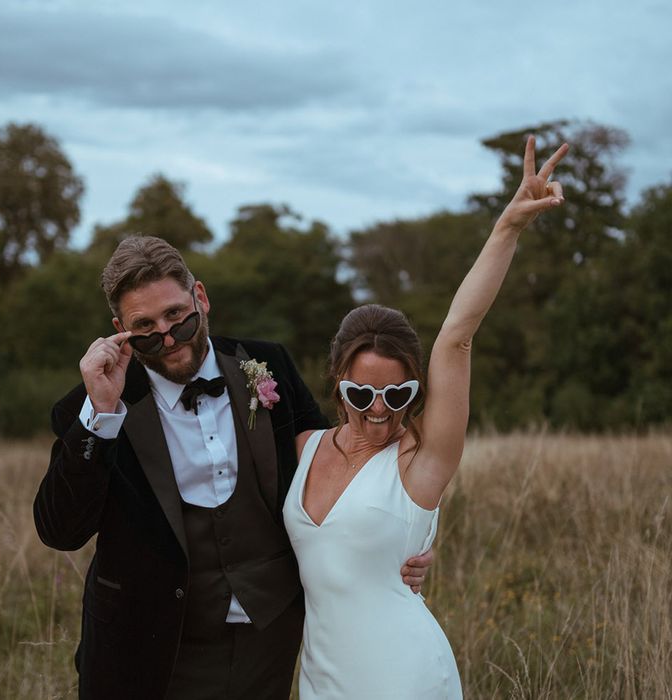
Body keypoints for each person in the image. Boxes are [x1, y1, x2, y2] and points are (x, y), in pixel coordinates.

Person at [33, 235, 434, 699]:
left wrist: (399, 547)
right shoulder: (91, 406)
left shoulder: (268, 365)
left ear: (200, 298)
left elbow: (342, 470)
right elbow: (60, 532)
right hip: (149, 649)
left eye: (176, 318)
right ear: (119, 329)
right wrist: (101, 415)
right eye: (144, 327)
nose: (166, 339)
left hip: (268, 642)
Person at [283, 136, 568, 699]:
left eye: (399, 394)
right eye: (362, 396)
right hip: (322, 677)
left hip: (404, 675)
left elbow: (457, 338)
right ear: (338, 385)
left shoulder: (420, 461)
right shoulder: (303, 446)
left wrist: (505, 229)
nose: (380, 412)